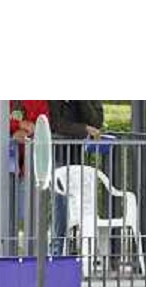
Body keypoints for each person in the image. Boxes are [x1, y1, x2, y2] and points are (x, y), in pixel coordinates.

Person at [0, 100, 50, 256]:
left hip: (18, 168)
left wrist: (26, 130)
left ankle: (8, 256)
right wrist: (18, 125)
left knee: (13, 216)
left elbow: (42, 124)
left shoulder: (37, 100)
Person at [48, 101, 104, 255]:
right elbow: (56, 124)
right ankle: (56, 251)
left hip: (75, 156)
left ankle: (74, 248)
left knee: (77, 204)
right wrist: (84, 129)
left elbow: (97, 122)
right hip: (57, 155)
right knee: (61, 203)